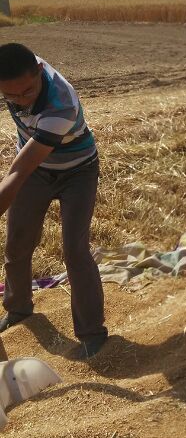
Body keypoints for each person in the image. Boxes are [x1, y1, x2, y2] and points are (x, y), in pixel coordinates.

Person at [0, 43, 107, 359]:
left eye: (28, 91)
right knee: (17, 242)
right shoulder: (17, 75)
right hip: (36, 168)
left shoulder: (62, 104)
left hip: (78, 172)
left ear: (39, 70)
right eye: (12, 96)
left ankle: (92, 333)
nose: (22, 100)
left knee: (75, 250)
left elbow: (19, 170)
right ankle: (18, 308)